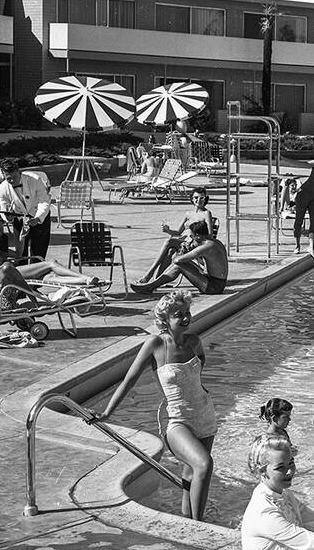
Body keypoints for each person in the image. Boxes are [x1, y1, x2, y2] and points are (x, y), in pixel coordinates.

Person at [94, 291, 217, 520]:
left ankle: (186, 521)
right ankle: (201, 527)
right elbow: (129, 380)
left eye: (187, 312)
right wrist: (107, 412)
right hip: (178, 421)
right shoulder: (155, 344)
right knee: (204, 464)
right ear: (165, 319)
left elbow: (201, 362)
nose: (185, 318)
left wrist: (196, 387)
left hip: (205, 415)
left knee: (191, 473)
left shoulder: (194, 342)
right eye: (178, 314)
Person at [0, 217, 98, 287]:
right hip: (9, 274)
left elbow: (18, 255)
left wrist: (22, 239)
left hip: (13, 270)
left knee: (50, 277)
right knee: (51, 263)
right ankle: (84, 277)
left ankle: (83, 282)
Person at [137, 189, 219, 284]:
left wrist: (194, 237)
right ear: (192, 199)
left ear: (205, 199)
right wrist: (168, 230)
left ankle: (149, 275)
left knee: (169, 242)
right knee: (170, 250)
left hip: (194, 244)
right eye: (196, 198)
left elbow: (209, 234)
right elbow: (178, 232)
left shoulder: (206, 213)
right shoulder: (188, 214)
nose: (198, 200)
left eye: (202, 198)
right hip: (183, 241)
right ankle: (156, 279)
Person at [131, 220, 228, 295]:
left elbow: (176, 260)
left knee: (179, 265)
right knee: (182, 263)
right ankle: (152, 284)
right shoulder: (215, 242)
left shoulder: (206, 247)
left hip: (213, 287)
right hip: (215, 281)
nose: (190, 239)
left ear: (198, 236)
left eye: (192, 236)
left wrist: (182, 251)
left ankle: (150, 287)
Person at [0, 160, 52, 260]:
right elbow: (3, 205)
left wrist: (38, 218)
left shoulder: (35, 180)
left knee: (39, 251)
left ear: (19, 172)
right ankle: (22, 273)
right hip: (19, 219)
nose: (12, 181)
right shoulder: (3, 187)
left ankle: (39, 270)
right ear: (4, 175)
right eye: (9, 178)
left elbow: (44, 201)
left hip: (39, 216)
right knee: (21, 253)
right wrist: (7, 217)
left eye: (15, 177)